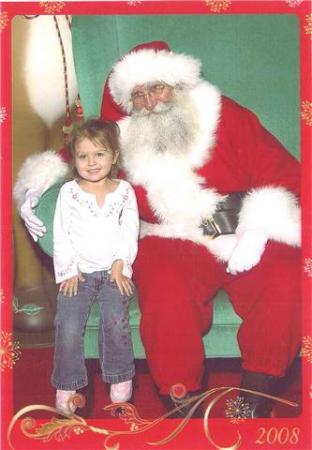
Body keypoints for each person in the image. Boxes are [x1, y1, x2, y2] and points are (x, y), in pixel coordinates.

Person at [14, 41, 301, 418]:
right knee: (166, 288)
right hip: (169, 238)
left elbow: (288, 176)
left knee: (287, 276)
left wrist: (259, 228)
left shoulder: (223, 113)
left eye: (158, 87)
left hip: (242, 228)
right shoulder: (119, 136)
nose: (151, 101)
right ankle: (182, 405)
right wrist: (34, 187)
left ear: (178, 85)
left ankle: (255, 397)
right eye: (139, 94)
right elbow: (70, 159)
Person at [50, 119, 139, 415]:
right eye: (83, 156)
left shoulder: (125, 191)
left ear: (114, 156)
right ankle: (67, 382)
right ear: (74, 160)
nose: (91, 162)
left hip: (114, 271)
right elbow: (61, 233)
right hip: (80, 272)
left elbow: (129, 230)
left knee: (114, 318)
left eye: (99, 154)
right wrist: (68, 270)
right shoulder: (69, 193)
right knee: (68, 322)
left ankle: (119, 376)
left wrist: (121, 263)